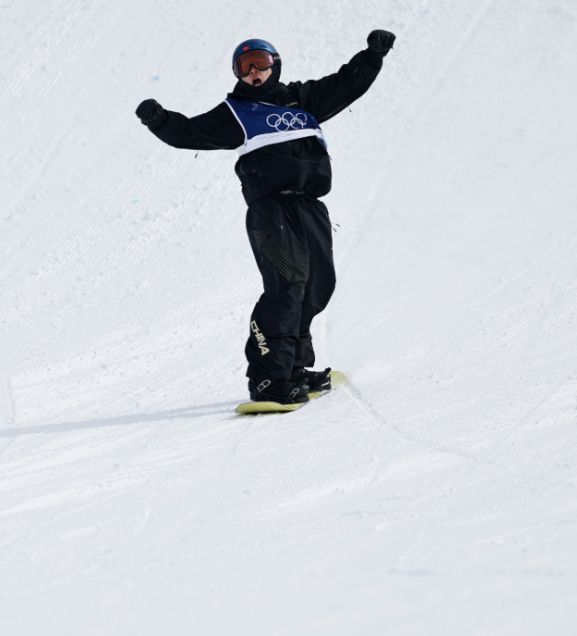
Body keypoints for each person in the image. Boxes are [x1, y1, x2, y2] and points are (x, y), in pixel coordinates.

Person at [135, 31, 396, 405]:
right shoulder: (236, 112)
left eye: (259, 63)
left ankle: (294, 370)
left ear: (276, 64)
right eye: (244, 67)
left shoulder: (304, 100)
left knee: (317, 286)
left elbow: (346, 84)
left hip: (310, 206)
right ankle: (267, 380)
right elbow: (190, 132)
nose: (253, 72)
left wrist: (372, 55)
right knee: (287, 285)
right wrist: (160, 120)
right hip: (271, 208)